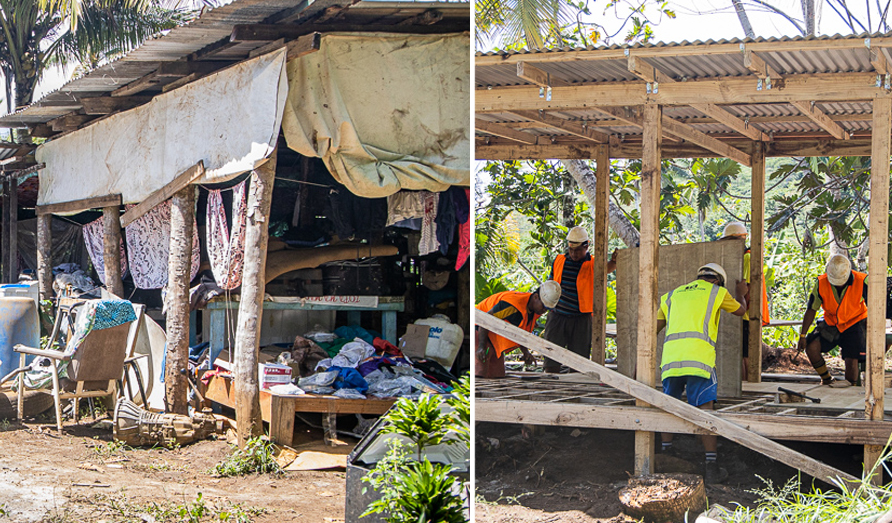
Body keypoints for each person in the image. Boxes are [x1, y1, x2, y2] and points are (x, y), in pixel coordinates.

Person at [657, 263, 747, 484]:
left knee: (669, 406)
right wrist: (741, 295)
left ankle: (666, 455)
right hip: (699, 361)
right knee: (705, 409)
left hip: (671, 361)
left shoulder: (671, 295)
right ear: (718, 280)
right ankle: (711, 464)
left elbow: (653, 328)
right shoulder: (718, 292)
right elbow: (741, 312)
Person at [542, 226, 617, 373]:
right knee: (551, 360)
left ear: (586, 246)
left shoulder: (593, 263)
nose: (574, 254)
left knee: (578, 363)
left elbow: (606, 269)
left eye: (578, 250)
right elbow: (550, 283)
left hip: (581, 319)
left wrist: (614, 262)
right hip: (557, 316)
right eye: (571, 250)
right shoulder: (559, 260)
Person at [798, 254, 867, 387]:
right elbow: (811, 309)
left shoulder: (862, 281)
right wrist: (803, 335)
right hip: (831, 323)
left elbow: (876, 304)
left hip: (855, 322)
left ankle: (850, 387)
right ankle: (827, 379)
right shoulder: (821, 283)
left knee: (851, 358)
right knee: (812, 347)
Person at [475, 281, 561, 378]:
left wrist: (525, 352)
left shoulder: (533, 311)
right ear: (536, 297)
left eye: (547, 309)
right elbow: (485, 320)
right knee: (480, 373)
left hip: (494, 340)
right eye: (544, 306)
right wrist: (481, 346)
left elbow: (521, 331)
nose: (544, 311)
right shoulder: (512, 305)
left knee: (497, 376)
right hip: (479, 331)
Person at [719, 221, 771, 381]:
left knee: (744, 355)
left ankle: (747, 385)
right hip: (744, 313)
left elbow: (747, 287)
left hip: (746, 315)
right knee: (741, 354)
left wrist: (739, 309)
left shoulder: (748, 258)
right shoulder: (742, 257)